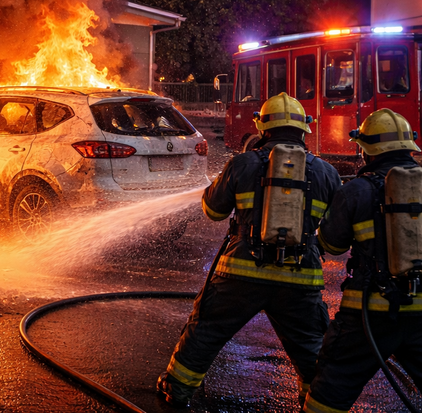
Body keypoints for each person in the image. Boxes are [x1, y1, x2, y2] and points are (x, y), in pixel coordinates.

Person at [157, 92, 342, 408]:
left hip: (241, 275)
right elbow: (335, 239)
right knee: (312, 346)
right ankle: (318, 402)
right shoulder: (327, 173)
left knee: (208, 330)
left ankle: (176, 391)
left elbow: (214, 212)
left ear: (262, 128)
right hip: (300, 280)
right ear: (304, 129)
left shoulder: (242, 163)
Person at [304, 109, 422, 413]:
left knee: (331, 389)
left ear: (366, 149)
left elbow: (331, 242)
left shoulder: (356, 190)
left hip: (367, 315)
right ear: (410, 146)